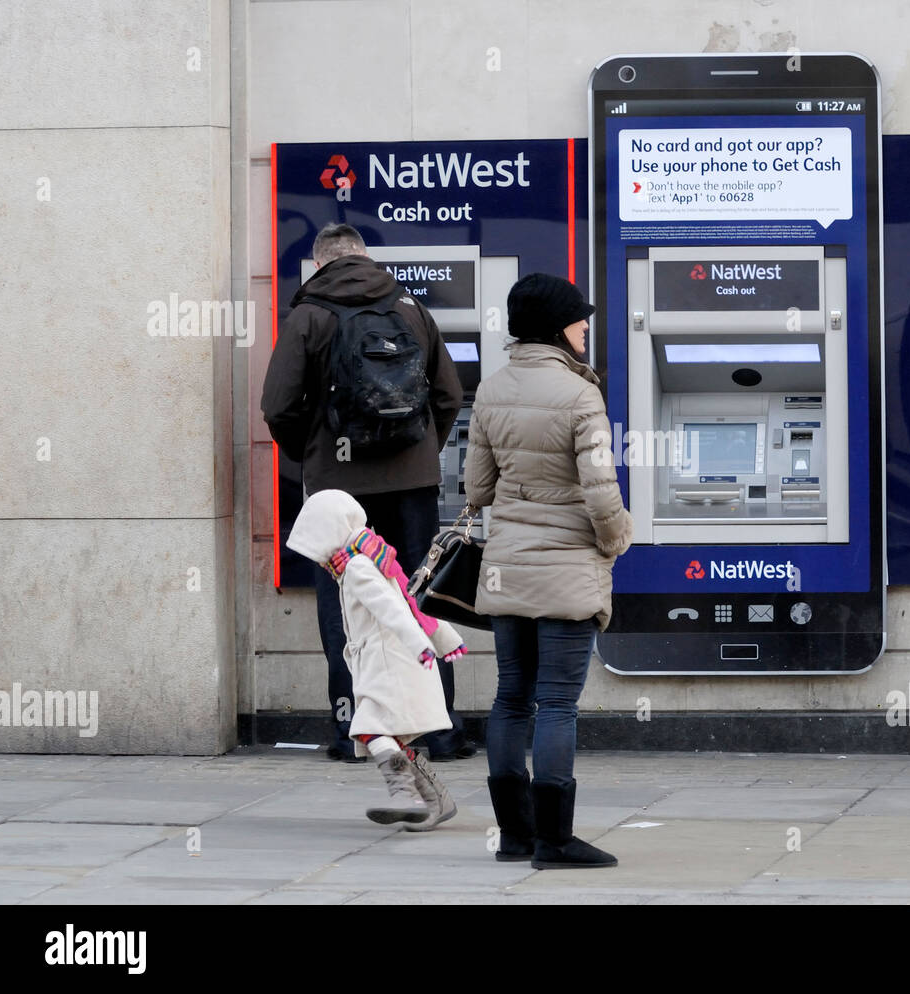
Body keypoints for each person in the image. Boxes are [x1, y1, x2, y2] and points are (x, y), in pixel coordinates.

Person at [261, 223, 474, 762]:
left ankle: (353, 732)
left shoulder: (308, 315)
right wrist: (420, 449)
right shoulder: (409, 308)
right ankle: (439, 732)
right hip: (413, 486)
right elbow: (449, 394)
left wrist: (313, 454)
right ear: (364, 257)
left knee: (345, 604)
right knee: (417, 599)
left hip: (337, 489)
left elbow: (278, 405)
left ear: (320, 263)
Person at [464, 273, 633, 869]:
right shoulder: (581, 396)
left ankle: (515, 834)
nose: (586, 325)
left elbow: (477, 488)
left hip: (507, 567)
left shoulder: (490, 390)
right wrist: (616, 541)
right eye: (578, 317)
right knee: (558, 704)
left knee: (513, 699)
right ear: (556, 327)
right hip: (565, 570)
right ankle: (556, 842)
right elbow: (600, 490)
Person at [285, 489, 465, 829]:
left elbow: (393, 608)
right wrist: (436, 640)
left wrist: (420, 644)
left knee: (368, 728)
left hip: (388, 664)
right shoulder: (365, 558)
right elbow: (410, 602)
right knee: (388, 737)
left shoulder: (356, 567)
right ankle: (436, 798)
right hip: (384, 661)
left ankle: (404, 795)